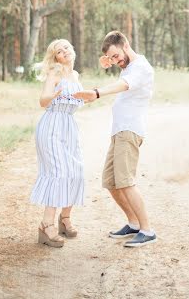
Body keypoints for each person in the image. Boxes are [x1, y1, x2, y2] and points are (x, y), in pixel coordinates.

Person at [74, 30, 156, 248]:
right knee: (111, 182)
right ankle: (134, 223)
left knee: (126, 182)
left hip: (130, 131)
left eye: (116, 55)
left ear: (126, 44)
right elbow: (120, 76)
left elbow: (124, 85)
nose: (115, 61)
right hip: (119, 131)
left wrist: (97, 92)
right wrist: (108, 62)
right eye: (111, 58)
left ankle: (147, 230)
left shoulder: (141, 68)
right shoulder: (128, 67)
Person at [30, 39, 89, 248]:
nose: (64, 52)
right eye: (59, 51)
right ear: (56, 58)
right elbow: (43, 100)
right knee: (58, 172)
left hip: (69, 127)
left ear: (72, 50)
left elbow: (78, 99)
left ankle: (65, 219)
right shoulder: (54, 73)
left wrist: (88, 96)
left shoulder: (75, 76)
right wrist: (51, 95)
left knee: (76, 171)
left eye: (66, 48)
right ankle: (46, 226)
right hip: (52, 125)